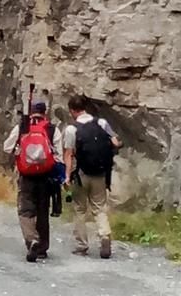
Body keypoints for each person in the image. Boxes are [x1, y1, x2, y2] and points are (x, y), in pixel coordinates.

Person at [63, 94, 122, 259]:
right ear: (85, 108)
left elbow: (68, 155)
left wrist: (67, 176)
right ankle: (104, 235)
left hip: (81, 174)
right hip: (101, 172)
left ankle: (82, 245)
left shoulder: (71, 129)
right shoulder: (101, 123)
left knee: (80, 210)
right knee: (99, 207)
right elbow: (116, 142)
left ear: (73, 111)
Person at [4, 101, 63, 262]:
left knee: (26, 210)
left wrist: (20, 151)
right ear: (45, 112)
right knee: (43, 210)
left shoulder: (22, 128)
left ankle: (32, 240)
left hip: (26, 175)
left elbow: (6, 147)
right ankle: (43, 248)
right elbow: (58, 156)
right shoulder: (52, 130)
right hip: (45, 176)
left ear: (31, 112)